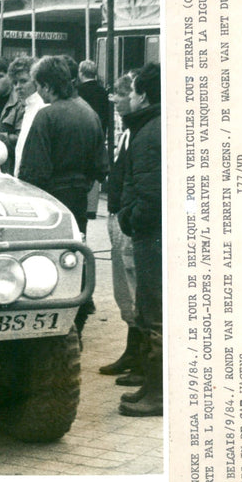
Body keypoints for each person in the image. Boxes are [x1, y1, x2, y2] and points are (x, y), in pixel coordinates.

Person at [18, 56, 108, 341]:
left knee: (45, 261)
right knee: (75, 255)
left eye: (38, 85)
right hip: (78, 196)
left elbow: (33, 171)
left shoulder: (46, 116)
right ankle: (77, 320)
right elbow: (100, 166)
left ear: (45, 86)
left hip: (50, 197)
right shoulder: (88, 112)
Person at [117, 62, 163, 417]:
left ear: (143, 94)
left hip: (153, 237)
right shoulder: (157, 126)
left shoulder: (149, 132)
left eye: (130, 92)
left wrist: (130, 218)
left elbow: (150, 194)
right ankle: (152, 385)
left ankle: (158, 393)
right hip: (157, 234)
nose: (127, 98)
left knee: (155, 313)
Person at [98, 71, 141, 380]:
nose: (114, 100)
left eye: (121, 95)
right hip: (117, 216)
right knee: (122, 292)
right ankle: (132, 350)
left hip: (128, 220)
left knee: (135, 288)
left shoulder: (140, 131)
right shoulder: (127, 129)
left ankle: (142, 357)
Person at [76, 60, 109, 220]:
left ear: (81, 73)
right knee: (94, 170)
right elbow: (107, 115)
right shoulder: (103, 92)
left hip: (81, 135)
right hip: (99, 134)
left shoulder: (78, 91)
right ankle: (92, 208)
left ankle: (84, 205)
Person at [10, 55, 44, 177]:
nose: (18, 86)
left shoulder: (41, 108)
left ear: (35, 81)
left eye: (23, 81)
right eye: (15, 82)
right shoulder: (26, 107)